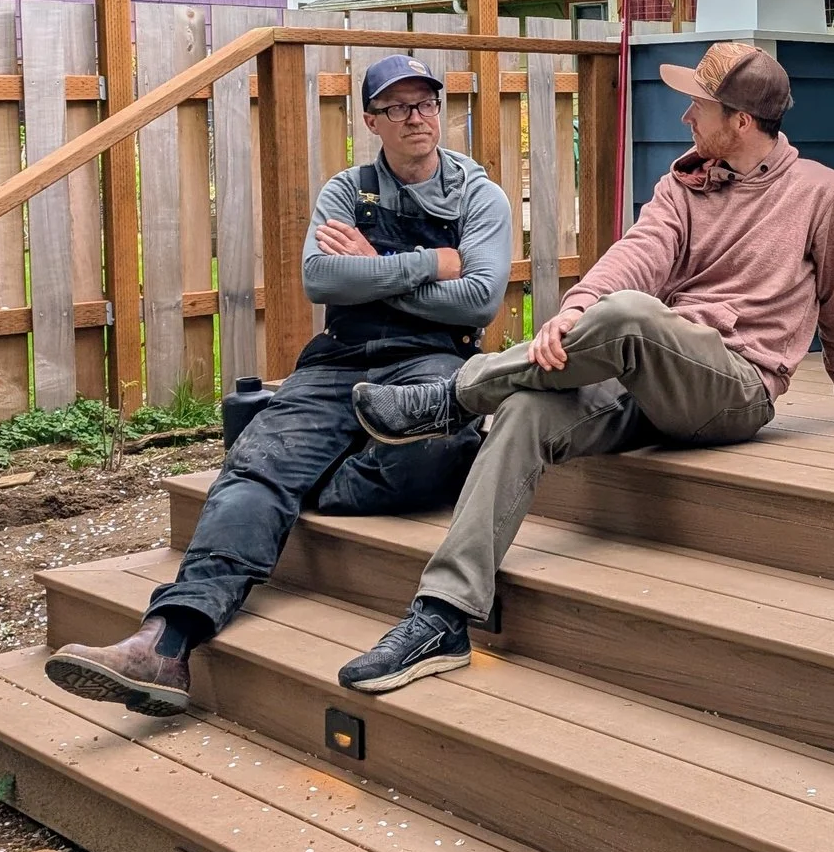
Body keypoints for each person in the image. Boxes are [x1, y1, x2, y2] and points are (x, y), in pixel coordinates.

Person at [333, 40, 834, 691]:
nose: (686, 117)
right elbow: (637, 253)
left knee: (630, 315)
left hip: (735, 389)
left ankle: (452, 396)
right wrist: (575, 314)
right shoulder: (687, 182)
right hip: (649, 372)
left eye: (698, 105)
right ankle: (443, 615)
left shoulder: (824, 195)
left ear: (740, 121)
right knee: (525, 408)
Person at [45, 55, 511, 716]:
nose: (417, 118)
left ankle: (297, 484)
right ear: (372, 120)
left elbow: (477, 301)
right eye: (399, 108)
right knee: (258, 467)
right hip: (338, 363)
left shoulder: (478, 196)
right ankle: (165, 642)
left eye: (426, 104)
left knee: (434, 454)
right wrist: (427, 264)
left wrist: (374, 268)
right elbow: (322, 280)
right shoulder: (346, 191)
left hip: (431, 365)